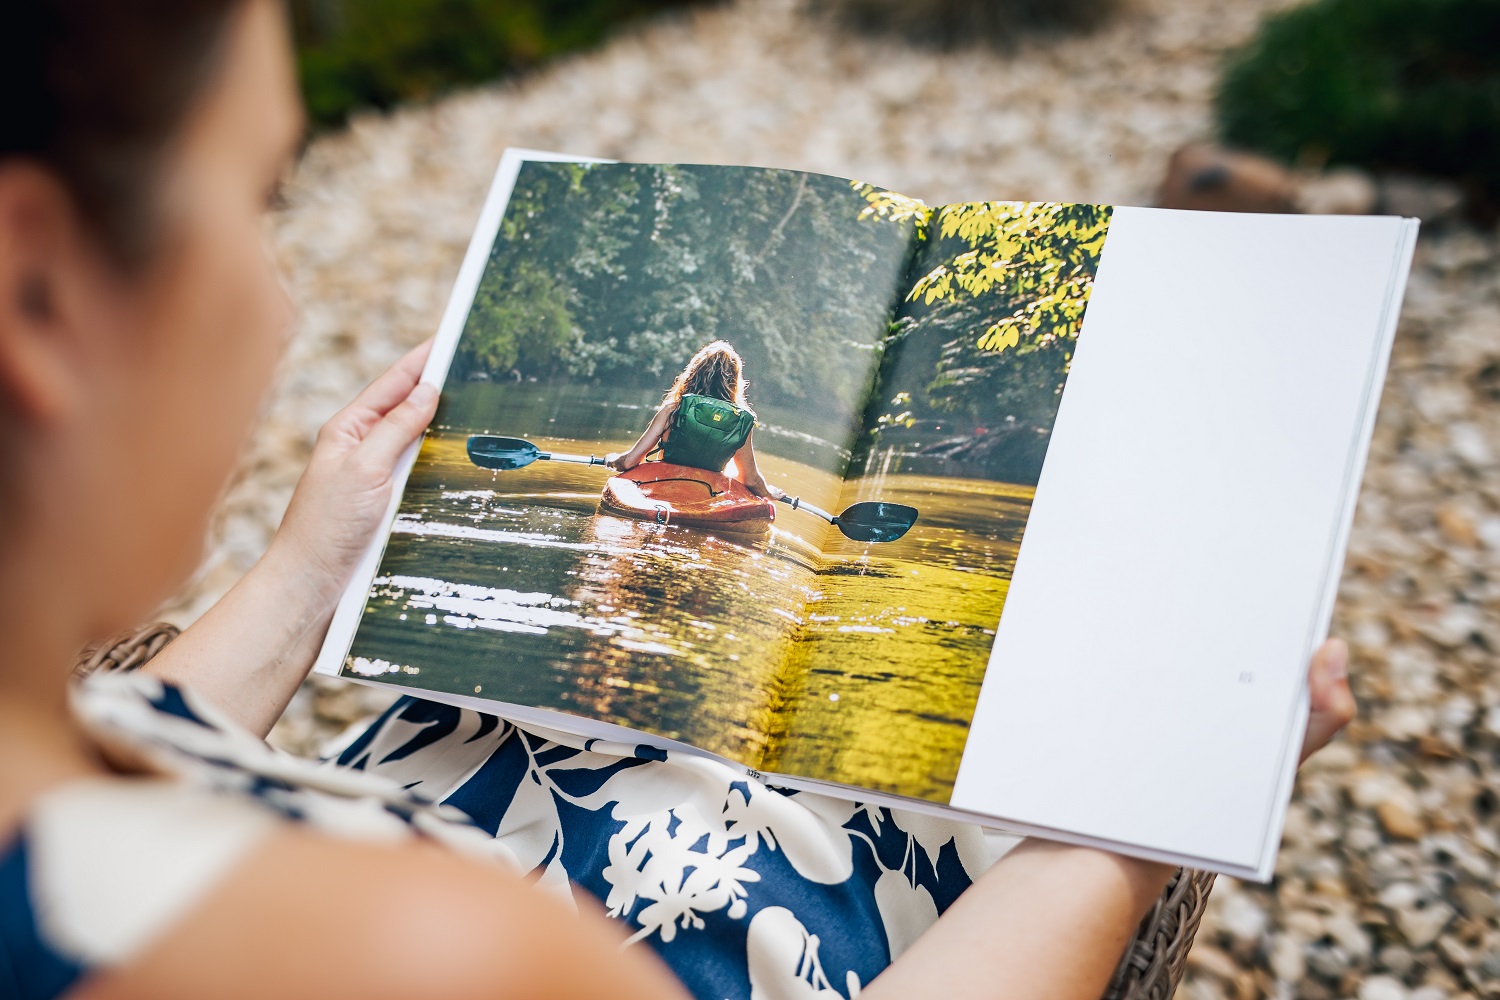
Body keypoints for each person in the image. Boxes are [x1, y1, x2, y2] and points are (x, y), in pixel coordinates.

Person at [0, 2, 1356, 998]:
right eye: (260, 201)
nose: (283, 306)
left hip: (483, 763)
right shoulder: (427, 960)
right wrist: (1131, 834)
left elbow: (135, 735)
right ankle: (1192, 288)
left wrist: (308, 565)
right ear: (34, 292)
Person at [607, 340, 784, 499]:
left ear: (694, 373)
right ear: (734, 382)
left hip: (662, 488)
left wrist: (613, 459)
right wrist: (768, 492)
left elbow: (630, 462)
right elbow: (750, 479)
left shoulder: (673, 409)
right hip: (706, 496)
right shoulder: (740, 422)